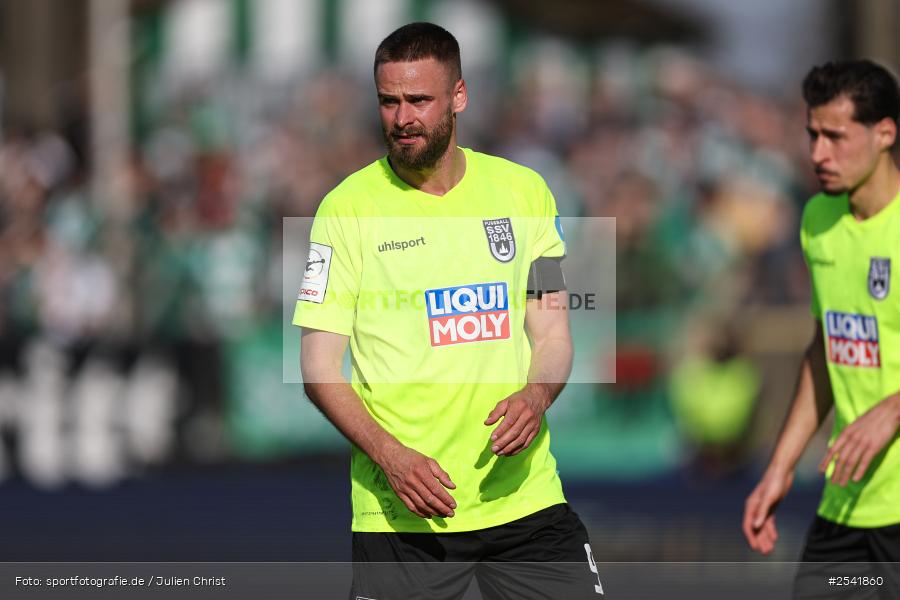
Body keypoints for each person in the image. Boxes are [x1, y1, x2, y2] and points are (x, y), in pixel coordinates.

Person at [293, 22, 603, 600]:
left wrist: (537, 395)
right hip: (404, 517)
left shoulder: (526, 193)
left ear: (458, 96)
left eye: (418, 100)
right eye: (389, 101)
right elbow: (317, 368)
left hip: (524, 502)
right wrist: (391, 457)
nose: (402, 117)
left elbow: (554, 332)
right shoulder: (344, 210)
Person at [742, 60, 900, 598]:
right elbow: (825, 352)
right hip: (846, 507)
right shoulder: (818, 221)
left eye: (835, 136)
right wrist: (780, 469)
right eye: (813, 134)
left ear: (885, 133)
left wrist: (893, 409)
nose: (818, 153)